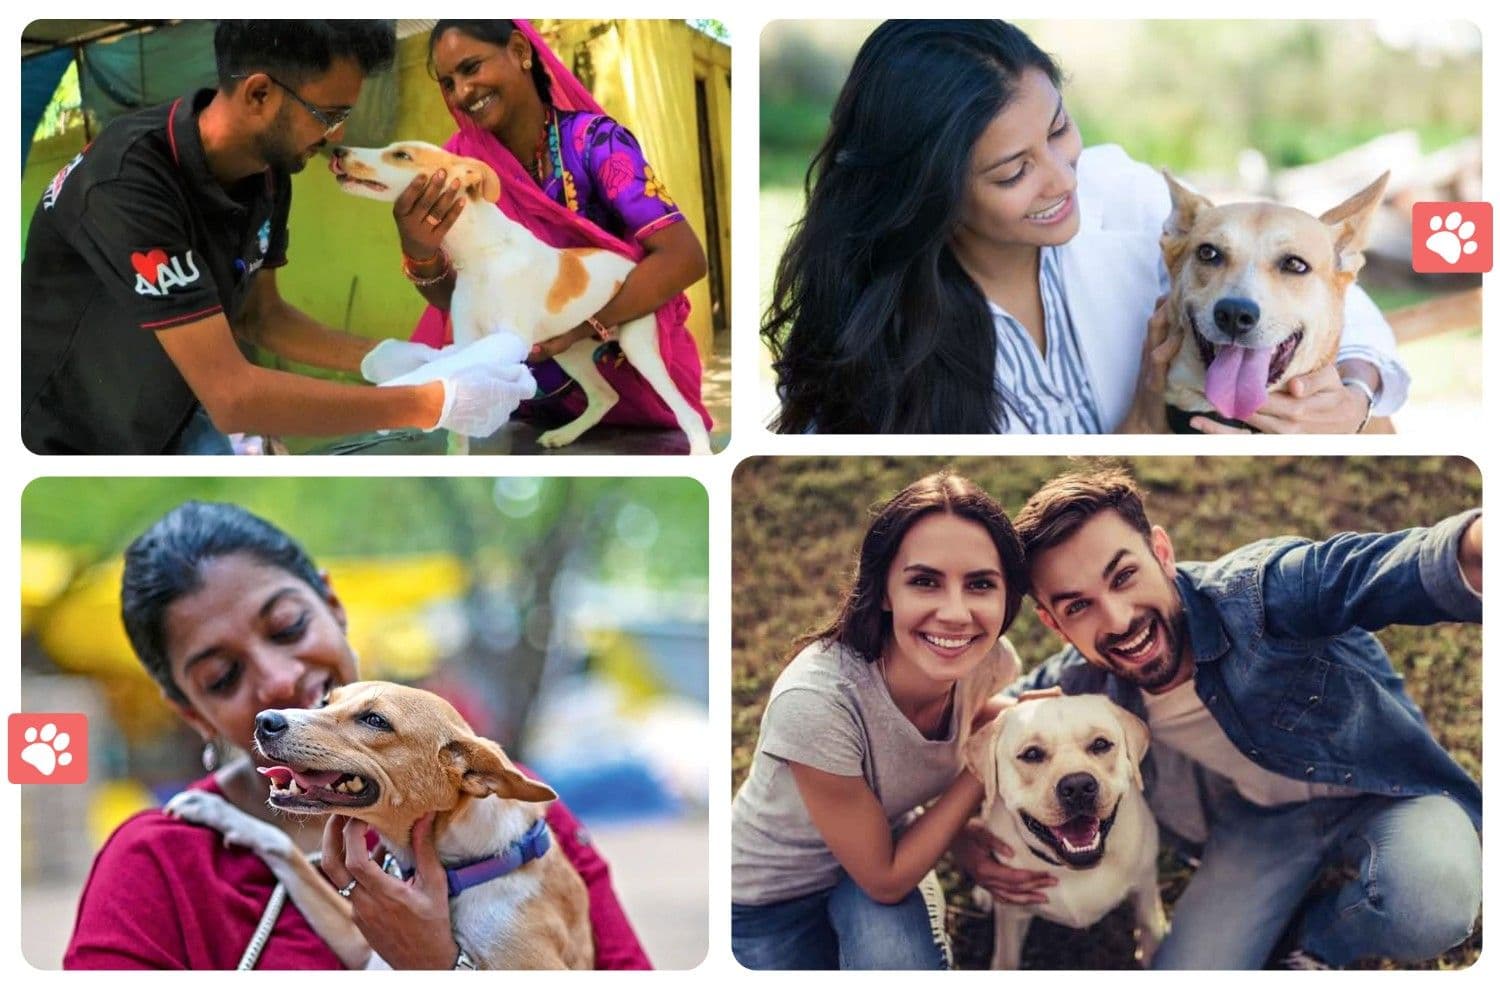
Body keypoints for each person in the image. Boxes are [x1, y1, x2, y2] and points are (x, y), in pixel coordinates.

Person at [63, 502, 651, 969]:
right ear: (189, 711)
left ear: (333, 605)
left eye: (289, 626)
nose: (280, 682)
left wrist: (440, 967)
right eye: (222, 677)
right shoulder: (154, 863)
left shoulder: (523, 829)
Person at [762, 20, 1406, 434]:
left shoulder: (1120, 190)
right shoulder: (875, 351)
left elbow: (1327, 289)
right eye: (1014, 171)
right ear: (926, 193)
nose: (1065, 180)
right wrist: (1143, 422)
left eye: (1058, 129)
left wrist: (1353, 396)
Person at [961, 467, 1481, 969]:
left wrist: (1475, 549)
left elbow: (1372, 570)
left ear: (1161, 553)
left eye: (1124, 576)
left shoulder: (1260, 594)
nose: (1117, 620)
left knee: (1431, 901)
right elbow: (965, 726)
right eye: (1078, 607)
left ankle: (1326, 941)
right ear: (1054, 623)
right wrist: (964, 835)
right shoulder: (1084, 685)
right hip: (1262, 821)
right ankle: (1289, 902)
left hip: (1386, 787)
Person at [22, 21, 531, 454]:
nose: (335, 137)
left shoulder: (268, 170)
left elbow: (258, 315)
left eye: (344, 117)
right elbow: (232, 396)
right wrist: (430, 402)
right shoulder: (129, 183)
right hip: (66, 435)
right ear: (260, 94)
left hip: (167, 413)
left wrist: (383, 356)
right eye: (328, 115)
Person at [731, 473, 1032, 969]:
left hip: (877, 861)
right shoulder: (816, 702)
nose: (956, 614)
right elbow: (887, 877)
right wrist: (986, 764)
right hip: (762, 905)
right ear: (886, 591)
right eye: (924, 581)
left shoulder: (989, 661)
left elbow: (969, 723)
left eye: (980, 584)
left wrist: (1030, 720)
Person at [379, 19, 714, 438]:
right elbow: (456, 296)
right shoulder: (455, 165)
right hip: (521, 404)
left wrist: (579, 331)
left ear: (520, 50)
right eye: (447, 83)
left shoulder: (597, 145)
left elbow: (684, 258)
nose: (462, 93)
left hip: (632, 390)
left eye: (471, 68)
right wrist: (419, 250)